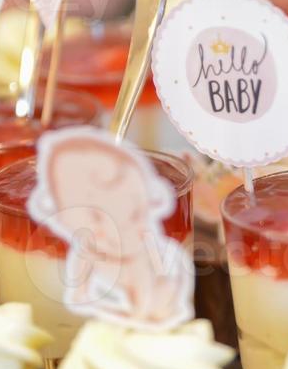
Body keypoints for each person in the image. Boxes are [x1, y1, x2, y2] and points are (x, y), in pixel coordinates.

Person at [32, 130, 191, 326]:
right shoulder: (86, 253)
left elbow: (147, 290)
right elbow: (77, 295)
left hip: (156, 305)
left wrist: (140, 316)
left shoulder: (141, 254)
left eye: (138, 214)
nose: (138, 228)